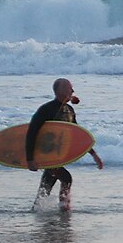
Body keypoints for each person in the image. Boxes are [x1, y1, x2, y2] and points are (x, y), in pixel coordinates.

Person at [26, 78, 103, 210]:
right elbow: (31, 133)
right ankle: (64, 208)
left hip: (58, 157)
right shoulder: (46, 109)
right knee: (66, 178)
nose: (73, 91)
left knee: (48, 184)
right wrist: (30, 159)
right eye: (70, 88)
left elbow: (78, 135)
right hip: (48, 155)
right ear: (60, 91)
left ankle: (39, 209)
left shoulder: (69, 111)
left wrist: (93, 154)